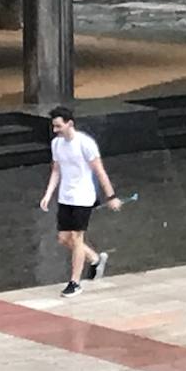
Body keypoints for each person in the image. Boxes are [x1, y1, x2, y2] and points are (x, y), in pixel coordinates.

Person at [39, 106, 121, 298]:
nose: (56, 130)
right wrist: (48, 194)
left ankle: (75, 282)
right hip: (65, 197)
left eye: (58, 126)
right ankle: (94, 259)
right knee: (63, 238)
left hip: (83, 197)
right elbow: (56, 170)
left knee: (76, 238)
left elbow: (99, 171)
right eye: (54, 127)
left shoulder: (85, 143)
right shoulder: (56, 144)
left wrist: (111, 196)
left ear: (70, 124)